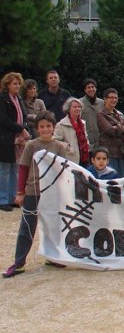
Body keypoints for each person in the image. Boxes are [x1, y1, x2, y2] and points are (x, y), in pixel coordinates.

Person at [3, 111, 69, 277]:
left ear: (54, 127)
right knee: (27, 227)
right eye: (42, 127)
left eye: (48, 126)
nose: (45, 129)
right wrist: (20, 192)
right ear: (37, 129)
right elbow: (23, 169)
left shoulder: (59, 147)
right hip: (33, 192)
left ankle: (52, 256)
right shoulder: (31, 146)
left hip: (52, 194)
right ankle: (19, 262)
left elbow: (63, 172)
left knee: (53, 227)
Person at [0, 72, 30, 212]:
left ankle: (13, 198)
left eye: (18, 83)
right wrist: (20, 128)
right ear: (7, 85)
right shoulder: (3, 99)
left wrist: (23, 128)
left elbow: (23, 116)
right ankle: (2, 199)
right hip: (6, 138)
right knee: (4, 170)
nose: (17, 86)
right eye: (14, 83)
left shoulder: (18, 99)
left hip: (18, 139)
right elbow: (4, 120)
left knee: (15, 169)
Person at [97, 88, 124, 177]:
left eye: (116, 98)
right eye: (111, 97)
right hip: (110, 153)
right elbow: (111, 131)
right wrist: (122, 128)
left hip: (123, 152)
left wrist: (118, 127)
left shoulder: (120, 114)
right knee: (112, 180)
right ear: (105, 99)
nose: (114, 100)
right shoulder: (100, 114)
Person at [54, 97, 89, 166]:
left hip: (84, 158)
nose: (77, 109)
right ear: (68, 109)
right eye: (74, 107)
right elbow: (55, 141)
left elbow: (86, 138)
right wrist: (68, 147)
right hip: (70, 159)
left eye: (79, 107)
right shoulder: (61, 124)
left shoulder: (83, 123)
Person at [79, 78, 104, 149]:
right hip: (86, 139)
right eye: (88, 87)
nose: (91, 89)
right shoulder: (80, 103)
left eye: (93, 87)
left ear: (95, 88)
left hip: (100, 139)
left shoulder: (102, 103)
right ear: (85, 90)